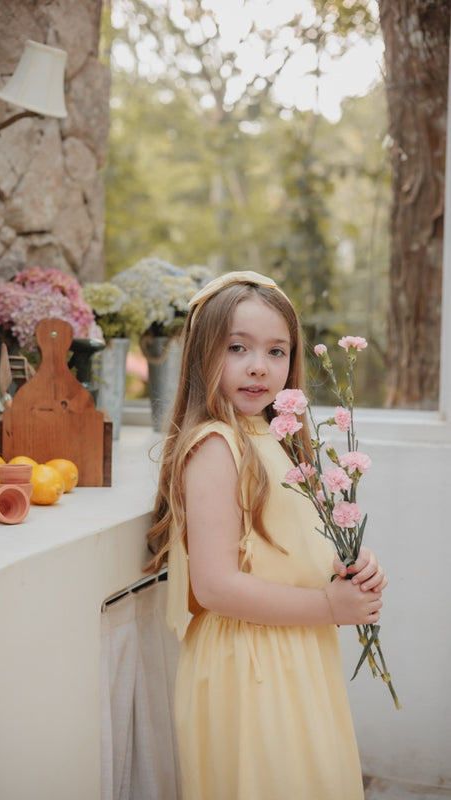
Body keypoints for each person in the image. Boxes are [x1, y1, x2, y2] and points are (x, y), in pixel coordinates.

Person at [146, 270, 387, 800]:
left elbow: (293, 543)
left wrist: (351, 563)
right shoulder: (216, 446)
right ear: (202, 355)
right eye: (238, 347)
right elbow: (215, 586)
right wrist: (330, 605)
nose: (259, 366)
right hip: (249, 664)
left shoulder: (278, 441)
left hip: (295, 650)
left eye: (277, 351)